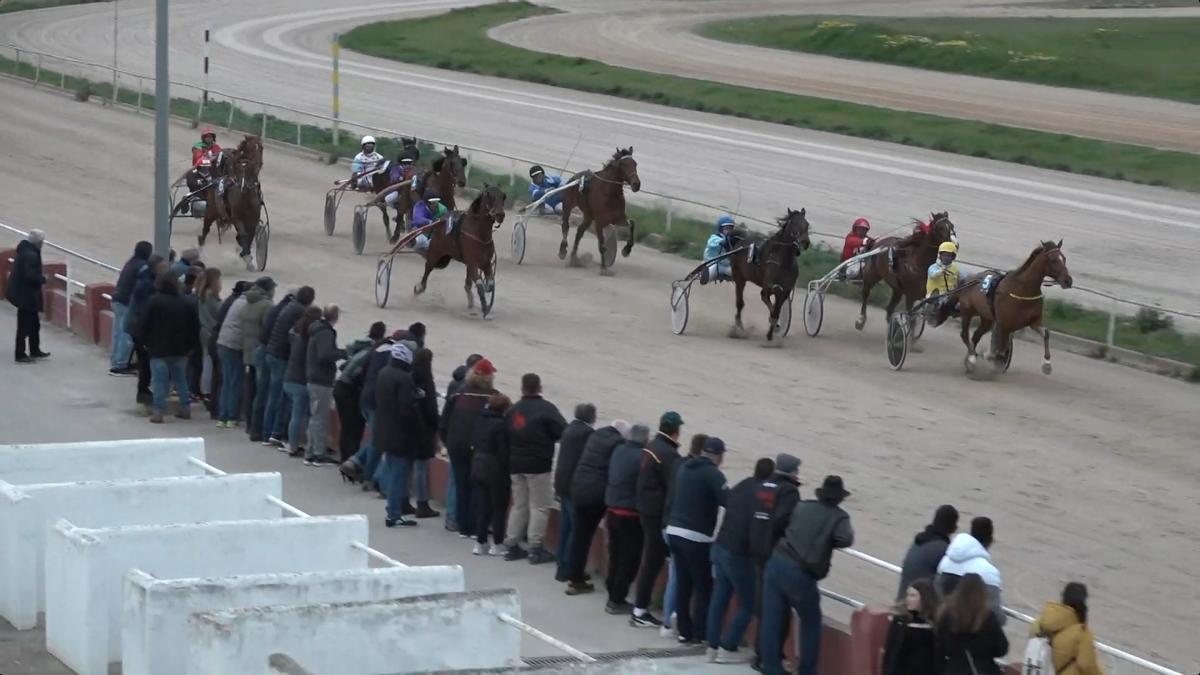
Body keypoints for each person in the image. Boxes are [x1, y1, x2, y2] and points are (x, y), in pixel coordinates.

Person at [759, 475, 854, 675]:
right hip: (800, 574)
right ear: (839, 498)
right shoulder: (839, 517)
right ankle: (807, 671)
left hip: (776, 563)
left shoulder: (802, 506)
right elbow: (845, 539)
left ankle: (770, 668)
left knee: (771, 619)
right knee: (811, 622)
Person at [707, 457, 776, 664]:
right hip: (738, 553)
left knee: (719, 597)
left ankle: (711, 646)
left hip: (720, 545)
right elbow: (761, 524)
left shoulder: (741, 485)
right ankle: (728, 646)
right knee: (749, 603)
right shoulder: (764, 493)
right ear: (770, 476)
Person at [665, 436, 729, 646]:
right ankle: (700, 632)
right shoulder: (714, 474)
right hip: (696, 536)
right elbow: (728, 501)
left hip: (674, 530)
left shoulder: (685, 468)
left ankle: (684, 631)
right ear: (718, 456)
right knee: (703, 586)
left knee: (684, 583)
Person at [503, 373, 567, 564]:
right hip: (538, 465)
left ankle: (512, 543)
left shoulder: (513, 410)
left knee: (519, 504)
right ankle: (535, 548)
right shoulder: (546, 409)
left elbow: (505, 434)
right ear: (539, 388)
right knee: (539, 506)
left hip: (515, 464)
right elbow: (562, 431)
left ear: (522, 388)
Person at [630, 410, 684, 628]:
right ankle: (640, 610)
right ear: (676, 430)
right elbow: (674, 487)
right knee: (652, 561)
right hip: (656, 514)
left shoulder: (652, 446)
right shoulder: (669, 454)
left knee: (651, 559)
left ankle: (641, 608)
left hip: (645, 508)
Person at [749, 453, 803, 671]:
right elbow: (783, 520)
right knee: (777, 610)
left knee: (764, 605)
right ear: (791, 471)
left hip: (757, 549)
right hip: (774, 553)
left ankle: (761, 653)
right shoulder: (789, 490)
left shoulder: (765, 484)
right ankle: (771, 658)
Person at [564, 419, 630, 594]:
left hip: (578, 488)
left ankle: (573, 572)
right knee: (584, 536)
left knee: (580, 534)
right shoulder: (618, 443)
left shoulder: (596, 435)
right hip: (596, 494)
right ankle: (575, 579)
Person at [440, 357, 499, 539]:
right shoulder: (493, 397)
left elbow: (444, 422)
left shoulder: (458, 394)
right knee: (476, 487)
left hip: (456, 445)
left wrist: (447, 442)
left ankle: (463, 526)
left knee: (461, 484)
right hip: (479, 447)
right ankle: (474, 527)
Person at [341, 328, 401, 490]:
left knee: (376, 437)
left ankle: (356, 462)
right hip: (377, 401)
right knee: (378, 440)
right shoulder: (393, 354)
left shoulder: (377, 349)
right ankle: (367, 474)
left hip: (365, 396)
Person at [138, 272, 200, 423]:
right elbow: (195, 327)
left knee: (159, 381)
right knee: (181, 380)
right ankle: (185, 408)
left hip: (158, 349)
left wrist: (144, 342)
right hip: (180, 349)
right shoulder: (186, 303)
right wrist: (192, 346)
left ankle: (158, 411)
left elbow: (143, 325)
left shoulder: (153, 302)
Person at [375, 342, 424, 528]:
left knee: (391, 470)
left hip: (384, 430)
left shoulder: (384, 373)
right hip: (400, 434)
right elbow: (405, 409)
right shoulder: (404, 378)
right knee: (398, 475)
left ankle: (392, 510)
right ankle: (394, 514)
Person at [604, 423, 649, 615]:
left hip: (612, 511)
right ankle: (617, 599)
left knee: (615, 555)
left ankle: (613, 594)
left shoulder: (619, 450)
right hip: (629, 515)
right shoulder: (642, 457)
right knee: (628, 559)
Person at [263, 286, 315, 446]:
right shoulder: (299, 311)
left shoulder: (290, 306)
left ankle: (270, 432)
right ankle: (274, 433)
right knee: (278, 398)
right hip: (280, 356)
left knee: (274, 396)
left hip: (272, 351)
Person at [553, 403, 597, 583]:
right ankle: (568, 567)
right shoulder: (587, 434)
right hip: (574, 486)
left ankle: (561, 566)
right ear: (591, 418)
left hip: (562, 483)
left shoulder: (569, 429)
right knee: (575, 529)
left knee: (566, 527)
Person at [334, 321, 386, 463]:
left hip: (340, 386)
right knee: (355, 427)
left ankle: (344, 457)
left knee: (346, 426)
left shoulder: (359, 344)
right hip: (350, 390)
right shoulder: (372, 350)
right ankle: (351, 460)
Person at [937, 574, 1009, 675]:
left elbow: (941, 647)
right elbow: (1001, 649)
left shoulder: (946, 615)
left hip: (954, 669)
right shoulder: (987, 617)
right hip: (983, 669)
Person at [937, 516, 1004, 624]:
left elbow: (937, 593)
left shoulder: (945, 561)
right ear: (990, 540)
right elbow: (996, 615)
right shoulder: (988, 572)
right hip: (968, 632)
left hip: (942, 626)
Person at [304, 304, 347, 466]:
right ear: (335, 316)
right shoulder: (326, 333)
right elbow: (325, 355)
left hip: (314, 378)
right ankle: (318, 453)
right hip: (321, 380)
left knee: (315, 417)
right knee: (320, 418)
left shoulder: (318, 330)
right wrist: (344, 353)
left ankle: (311, 451)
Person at [1029, 583, 1102, 675]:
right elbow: (1087, 665)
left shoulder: (1041, 621)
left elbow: (1031, 635)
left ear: (1063, 597)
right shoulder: (1082, 633)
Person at [472, 393, 513, 555]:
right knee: (499, 509)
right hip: (496, 471)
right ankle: (498, 543)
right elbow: (503, 452)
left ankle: (480, 542)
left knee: (484, 507)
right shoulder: (501, 426)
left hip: (479, 466)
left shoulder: (480, 420)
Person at [127, 255, 169, 408]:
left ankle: (144, 391)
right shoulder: (146, 284)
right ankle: (143, 392)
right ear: (156, 267)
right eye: (163, 266)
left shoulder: (146, 281)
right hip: (141, 329)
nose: (165, 268)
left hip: (139, 327)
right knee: (145, 363)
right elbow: (145, 309)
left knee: (145, 363)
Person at [237, 277, 275, 437]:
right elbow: (268, 330)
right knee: (261, 392)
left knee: (250, 389)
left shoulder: (247, 302)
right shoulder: (266, 305)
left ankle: (250, 424)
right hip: (260, 351)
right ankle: (257, 429)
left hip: (247, 350)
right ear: (268, 289)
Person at [282, 306, 322, 457]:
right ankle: (298, 445)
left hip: (289, 379)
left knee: (298, 414)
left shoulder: (295, 335)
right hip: (300, 382)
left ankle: (296, 443)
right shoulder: (309, 341)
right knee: (301, 415)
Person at [109, 240, 152, 375]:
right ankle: (120, 365)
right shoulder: (143, 266)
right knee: (126, 334)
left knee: (117, 334)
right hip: (126, 302)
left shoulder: (130, 262)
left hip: (116, 299)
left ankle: (116, 362)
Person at [898, 505, 960, 600]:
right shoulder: (942, 549)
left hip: (902, 599)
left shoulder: (917, 542)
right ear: (952, 526)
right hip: (919, 607)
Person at [882, 578, 941, 675]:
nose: (908, 599)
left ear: (924, 598)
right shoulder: (899, 620)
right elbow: (889, 651)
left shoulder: (935, 624)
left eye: (913, 596)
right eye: (908, 595)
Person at [6, 229, 48, 363]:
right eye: (42, 242)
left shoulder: (25, 251)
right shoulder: (31, 255)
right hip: (26, 296)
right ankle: (20, 354)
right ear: (38, 242)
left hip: (25, 294)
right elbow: (30, 275)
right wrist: (43, 279)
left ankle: (34, 350)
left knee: (34, 324)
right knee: (24, 325)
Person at [409, 347, 442, 517]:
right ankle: (422, 503)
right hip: (424, 429)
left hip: (411, 427)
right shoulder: (426, 380)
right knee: (421, 467)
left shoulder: (410, 376)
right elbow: (430, 408)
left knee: (411, 465)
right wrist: (436, 425)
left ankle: (407, 499)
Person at [194, 268, 222, 404]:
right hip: (210, 331)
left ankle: (205, 389)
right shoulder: (211, 295)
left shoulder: (202, 293)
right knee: (209, 362)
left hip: (204, 330)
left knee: (206, 360)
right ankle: (207, 390)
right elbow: (218, 312)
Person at [926, 241, 962, 326]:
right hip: (934, 293)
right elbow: (932, 275)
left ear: (953, 257)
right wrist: (941, 271)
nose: (946, 258)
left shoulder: (955, 269)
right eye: (944, 255)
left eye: (949, 256)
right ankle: (933, 314)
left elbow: (958, 280)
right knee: (941, 301)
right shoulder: (933, 267)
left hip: (949, 293)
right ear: (940, 256)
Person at [186, 129, 222, 200]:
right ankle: (192, 196)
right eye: (207, 137)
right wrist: (211, 158)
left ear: (213, 138)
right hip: (199, 171)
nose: (209, 138)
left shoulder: (217, 147)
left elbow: (220, 157)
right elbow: (198, 158)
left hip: (212, 172)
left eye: (211, 137)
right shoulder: (197, 146)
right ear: (203, 138)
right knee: (190, 176)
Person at [701, 216, 736, 284]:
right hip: (713, 264)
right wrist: (724, 242)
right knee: (709, 274)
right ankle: (705, 274)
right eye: (727, 228)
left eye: (731, 229)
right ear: (720, 229)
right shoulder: (715, 237)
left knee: (736, 272)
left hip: (725, 266)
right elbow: (712, 243)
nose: (729, 231)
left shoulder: (732, 240)